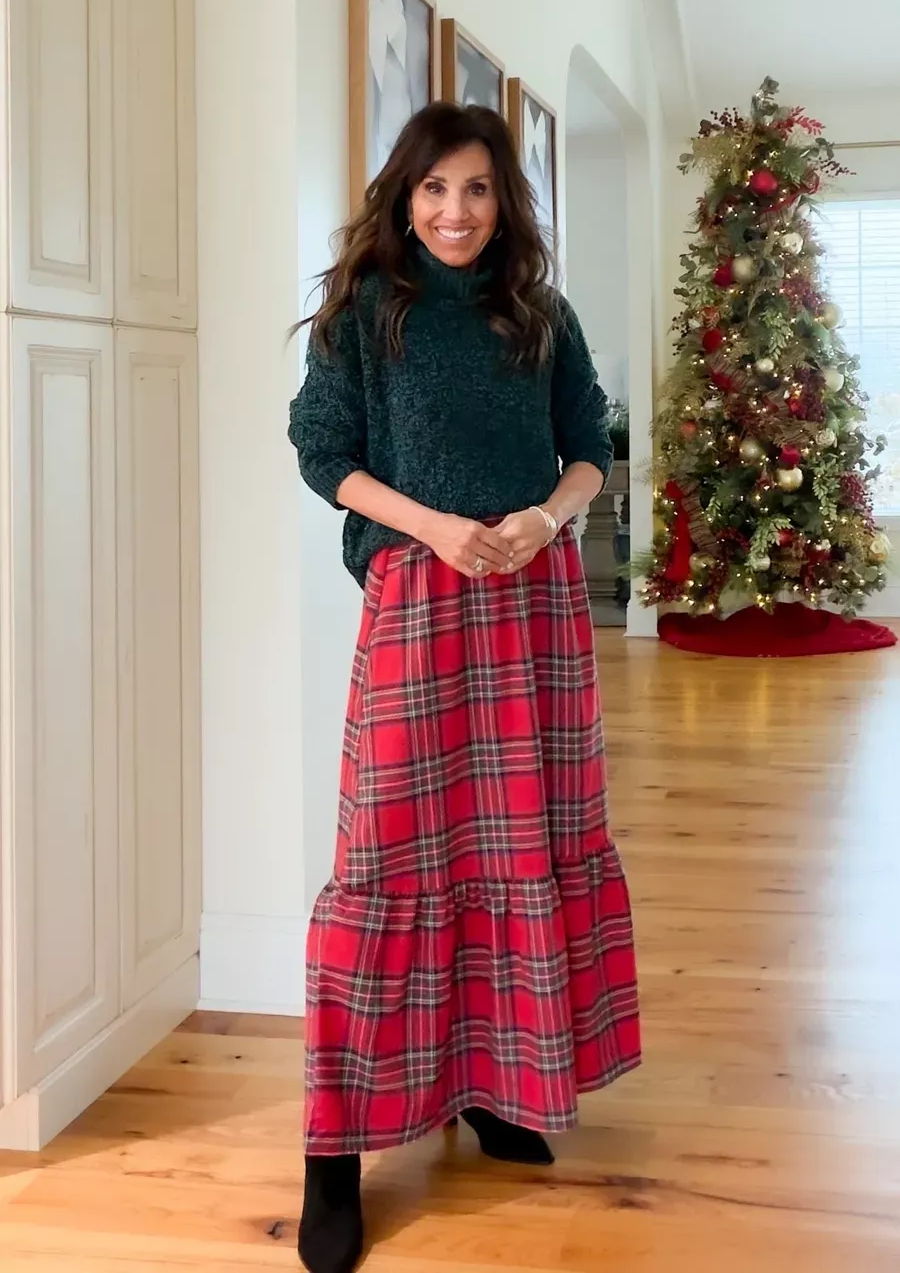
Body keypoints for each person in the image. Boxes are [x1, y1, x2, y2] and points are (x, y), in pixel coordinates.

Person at [288, 102, 640, 1273]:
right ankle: (333, 1158)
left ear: (506, 202)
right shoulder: (363, 317)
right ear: (404, 193)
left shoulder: (538, 311)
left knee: (516, 850)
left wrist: (548, 515)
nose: (455, 212)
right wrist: (436, 528)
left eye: (479, 190)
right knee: (388, 861)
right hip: (420, 599)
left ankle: (494, 1084)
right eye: (437, 188)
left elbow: (589, 439)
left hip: (533, 606)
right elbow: (323, 455)